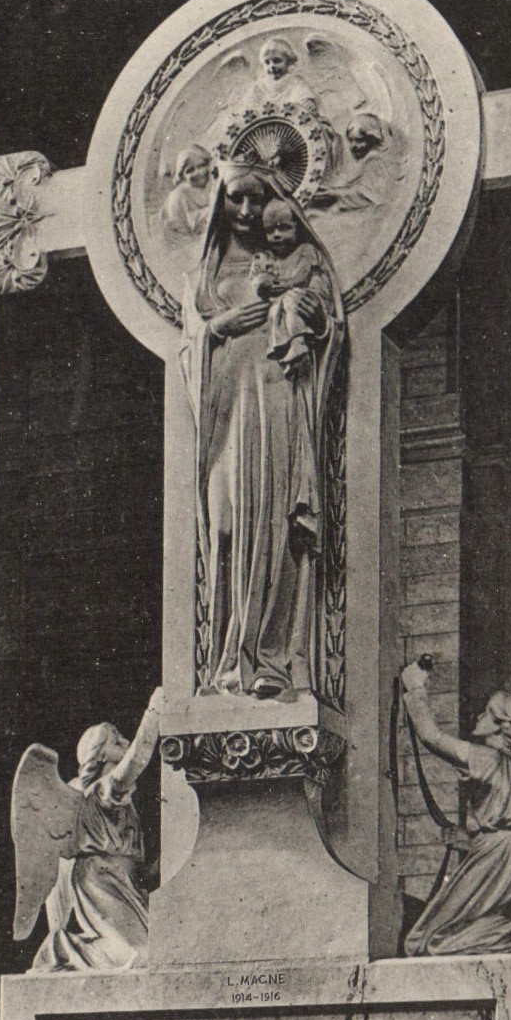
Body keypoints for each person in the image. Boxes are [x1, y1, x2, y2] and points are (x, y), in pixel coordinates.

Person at [180, 165, 344, 698]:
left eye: (257, 201)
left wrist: (290, 308)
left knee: (272, 523)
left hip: (274, 398)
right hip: (225, 408)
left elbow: (322, 313)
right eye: (236, 200)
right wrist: (221, 326)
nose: (247, 213)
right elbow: (194, 339)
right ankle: (227, 659)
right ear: (220, 203)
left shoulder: (294, 258)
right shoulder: (203, 276)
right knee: (224, 527)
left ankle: (268, 662)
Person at [400, 661, 511, 957]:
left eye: (488, 712)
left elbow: (431, 737)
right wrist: (470, 840)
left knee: (429, 940)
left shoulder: (485, 758)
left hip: (497, 855)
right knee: (445, 934)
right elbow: (509, 816)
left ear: (503, 724)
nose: (479, 715)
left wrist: (415, 687)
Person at [32, 688, 164, 971]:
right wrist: (154, 713)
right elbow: (137, 760)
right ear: (100, 753)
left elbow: (131, 859)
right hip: (99, 879)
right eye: (116, 740)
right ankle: (61, 948)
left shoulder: (123, 802)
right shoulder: (102, 791)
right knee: (141, 955)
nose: (125, 741)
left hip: (122, 881)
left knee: (155, 951)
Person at [249, 199, 332, 375]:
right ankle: (285, 350)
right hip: (284, 304)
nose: (277, 235)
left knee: (291, 301)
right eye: (270, 230)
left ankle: (299, 343)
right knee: (275, 312)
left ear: (298, 227)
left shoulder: (305, 250)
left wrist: (286, 284)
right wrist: (263, 286)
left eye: (284, 227)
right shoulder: (268, 258)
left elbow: (302, 275)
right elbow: (258, 280)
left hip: (305, 298)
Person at [160, 145, 213, 239]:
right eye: (190, 170)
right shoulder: (180, 195)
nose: (198, 173)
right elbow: (194, 224)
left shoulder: (210, 187)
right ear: (182, 176)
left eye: (201, 166)